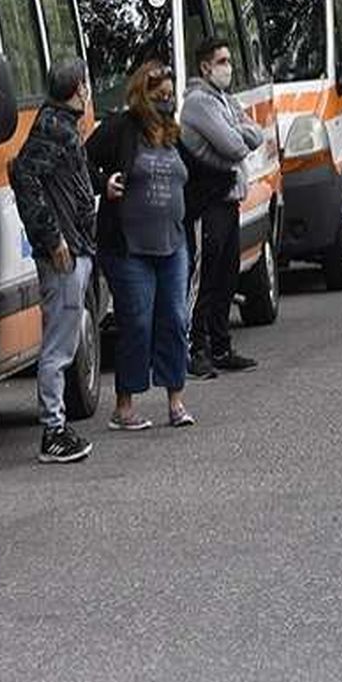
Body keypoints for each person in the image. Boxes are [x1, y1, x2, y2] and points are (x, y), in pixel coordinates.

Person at [87, 60, 195, 430]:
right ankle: (125, 405)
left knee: (175, 319)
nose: (165, 102)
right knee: (137, 322)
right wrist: (104, 184)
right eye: (158, 95)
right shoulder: (121, 128)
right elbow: (82, 159)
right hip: (128, 247)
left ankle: (175, 400)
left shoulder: (173, 132)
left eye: (169, 95)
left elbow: (192, 176)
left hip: (173, 243)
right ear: (141, 95)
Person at [10, 57, 97, 464]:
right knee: (59, 344)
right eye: (86, 83)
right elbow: (24, 176)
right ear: (78, 87)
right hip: (63, 254)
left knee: (65, 337)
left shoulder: (63, 126)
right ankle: (53, 430)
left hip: (77, 246)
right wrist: (53, 237)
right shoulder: (52, 127)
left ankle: (57, 425)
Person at [179, 37, 263, 378]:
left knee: (228, 274)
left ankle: (221, 344)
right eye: (223, 61)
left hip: (229, 199)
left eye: (229, 60)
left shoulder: (225, 100)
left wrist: (237, 132)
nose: (228, 68)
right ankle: (196, 348)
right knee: (207, 277)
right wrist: (236, 134)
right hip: (208, 201)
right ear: (205, 67)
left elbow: (255, 135)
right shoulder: (199, 103)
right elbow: (233, 146)